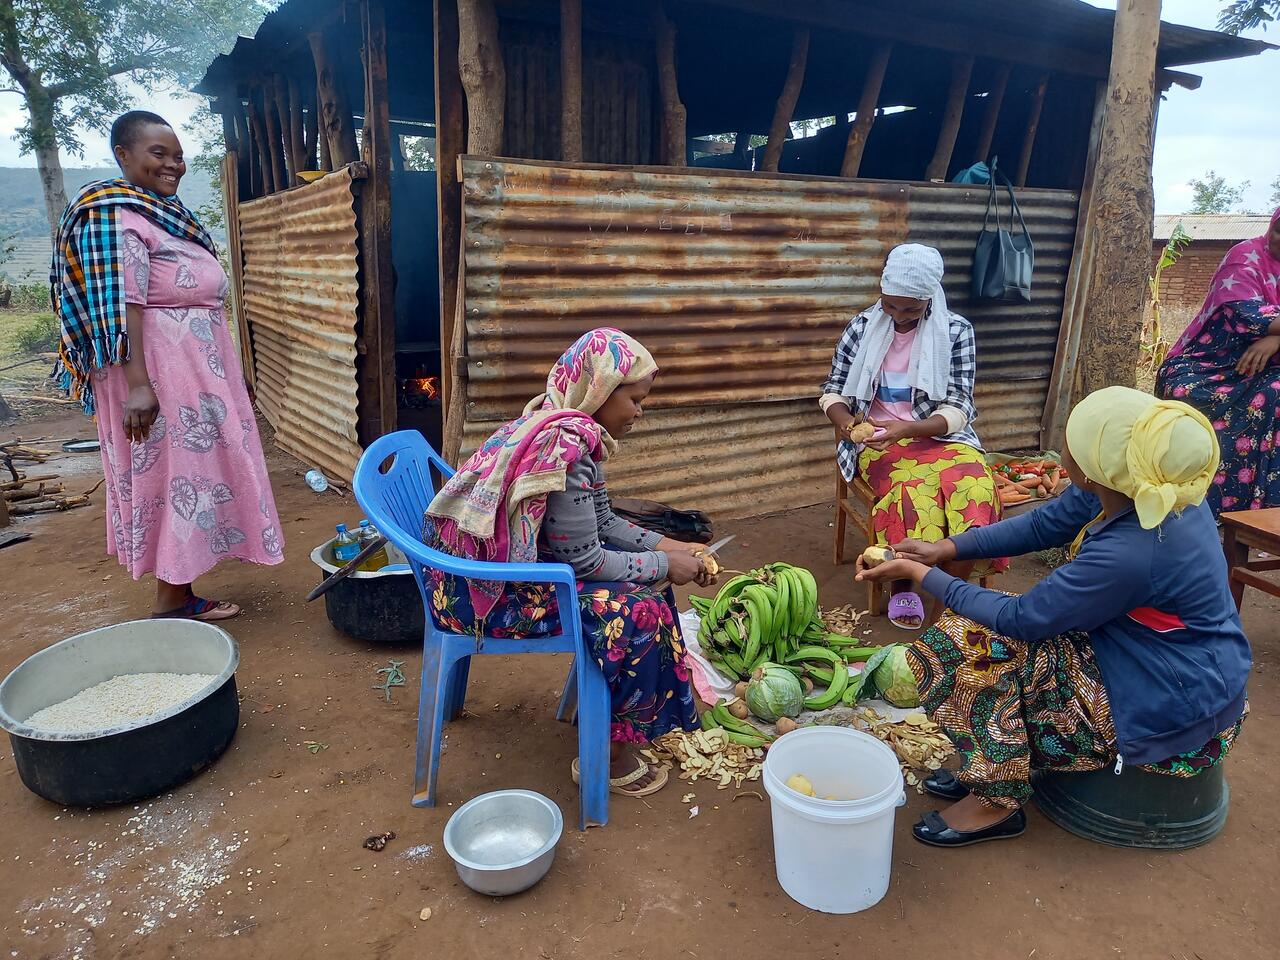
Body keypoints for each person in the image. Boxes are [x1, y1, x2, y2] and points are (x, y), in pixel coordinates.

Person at [857, 386, 1250, 848]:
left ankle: (997, 800)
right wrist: (947, 547)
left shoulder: (1134, 550)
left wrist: (923, 575)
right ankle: (995, 763)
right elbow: (1046, 524)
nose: (1065, 447)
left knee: (962, 643)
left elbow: (1023, 618)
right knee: (980, 630)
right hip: (1151, 655)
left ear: (1093, 466)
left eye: (1073, 440)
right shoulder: (1141, 489)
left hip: (1169, 703)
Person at [423, 327, 711, 797]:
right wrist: (664, 566)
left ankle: (605, 715)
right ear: (599, 391)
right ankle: (610, 757)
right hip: (482, 597)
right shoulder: (565, 450)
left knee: (648, 585)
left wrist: (668, 545)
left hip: (464, 577)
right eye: (635, 400)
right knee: (640, 610)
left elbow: (603, 522)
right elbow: (586, 561)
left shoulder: (561, 422)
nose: (640, 412)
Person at [51, 111, 283, 620]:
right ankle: (172, 601)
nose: (172, 164)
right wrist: (139, 385)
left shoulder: (162, 214)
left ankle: (180, 591)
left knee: (194, 474)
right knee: (174, 476)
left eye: (178, 156)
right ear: (123, 155)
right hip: (156, 373)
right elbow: (122, 306)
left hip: (191, 371)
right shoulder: (113, 217)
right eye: (158, 153)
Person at [821, 242, 1005, 629]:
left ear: (930, 298)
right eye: (890, 306)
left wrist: (910, 428)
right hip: (877, 441)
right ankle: (903, 584)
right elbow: (833, 392)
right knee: (912, 491)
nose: (898, 317)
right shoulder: (861, 328)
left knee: (974, 486)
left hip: (942, 438)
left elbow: (959, 406)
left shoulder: (956, 332)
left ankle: (949, 601)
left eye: (911, 310)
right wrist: (848, 426)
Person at [1156, 207, 1280, 515]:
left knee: (1274, 396)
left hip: (1269, 369)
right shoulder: (1245, 258)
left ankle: (1260, 512)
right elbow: (1245, 315)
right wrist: (1271, 330)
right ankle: (1186, 502)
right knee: (1182, 391)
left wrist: (1276, 338)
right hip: (1212, 363)